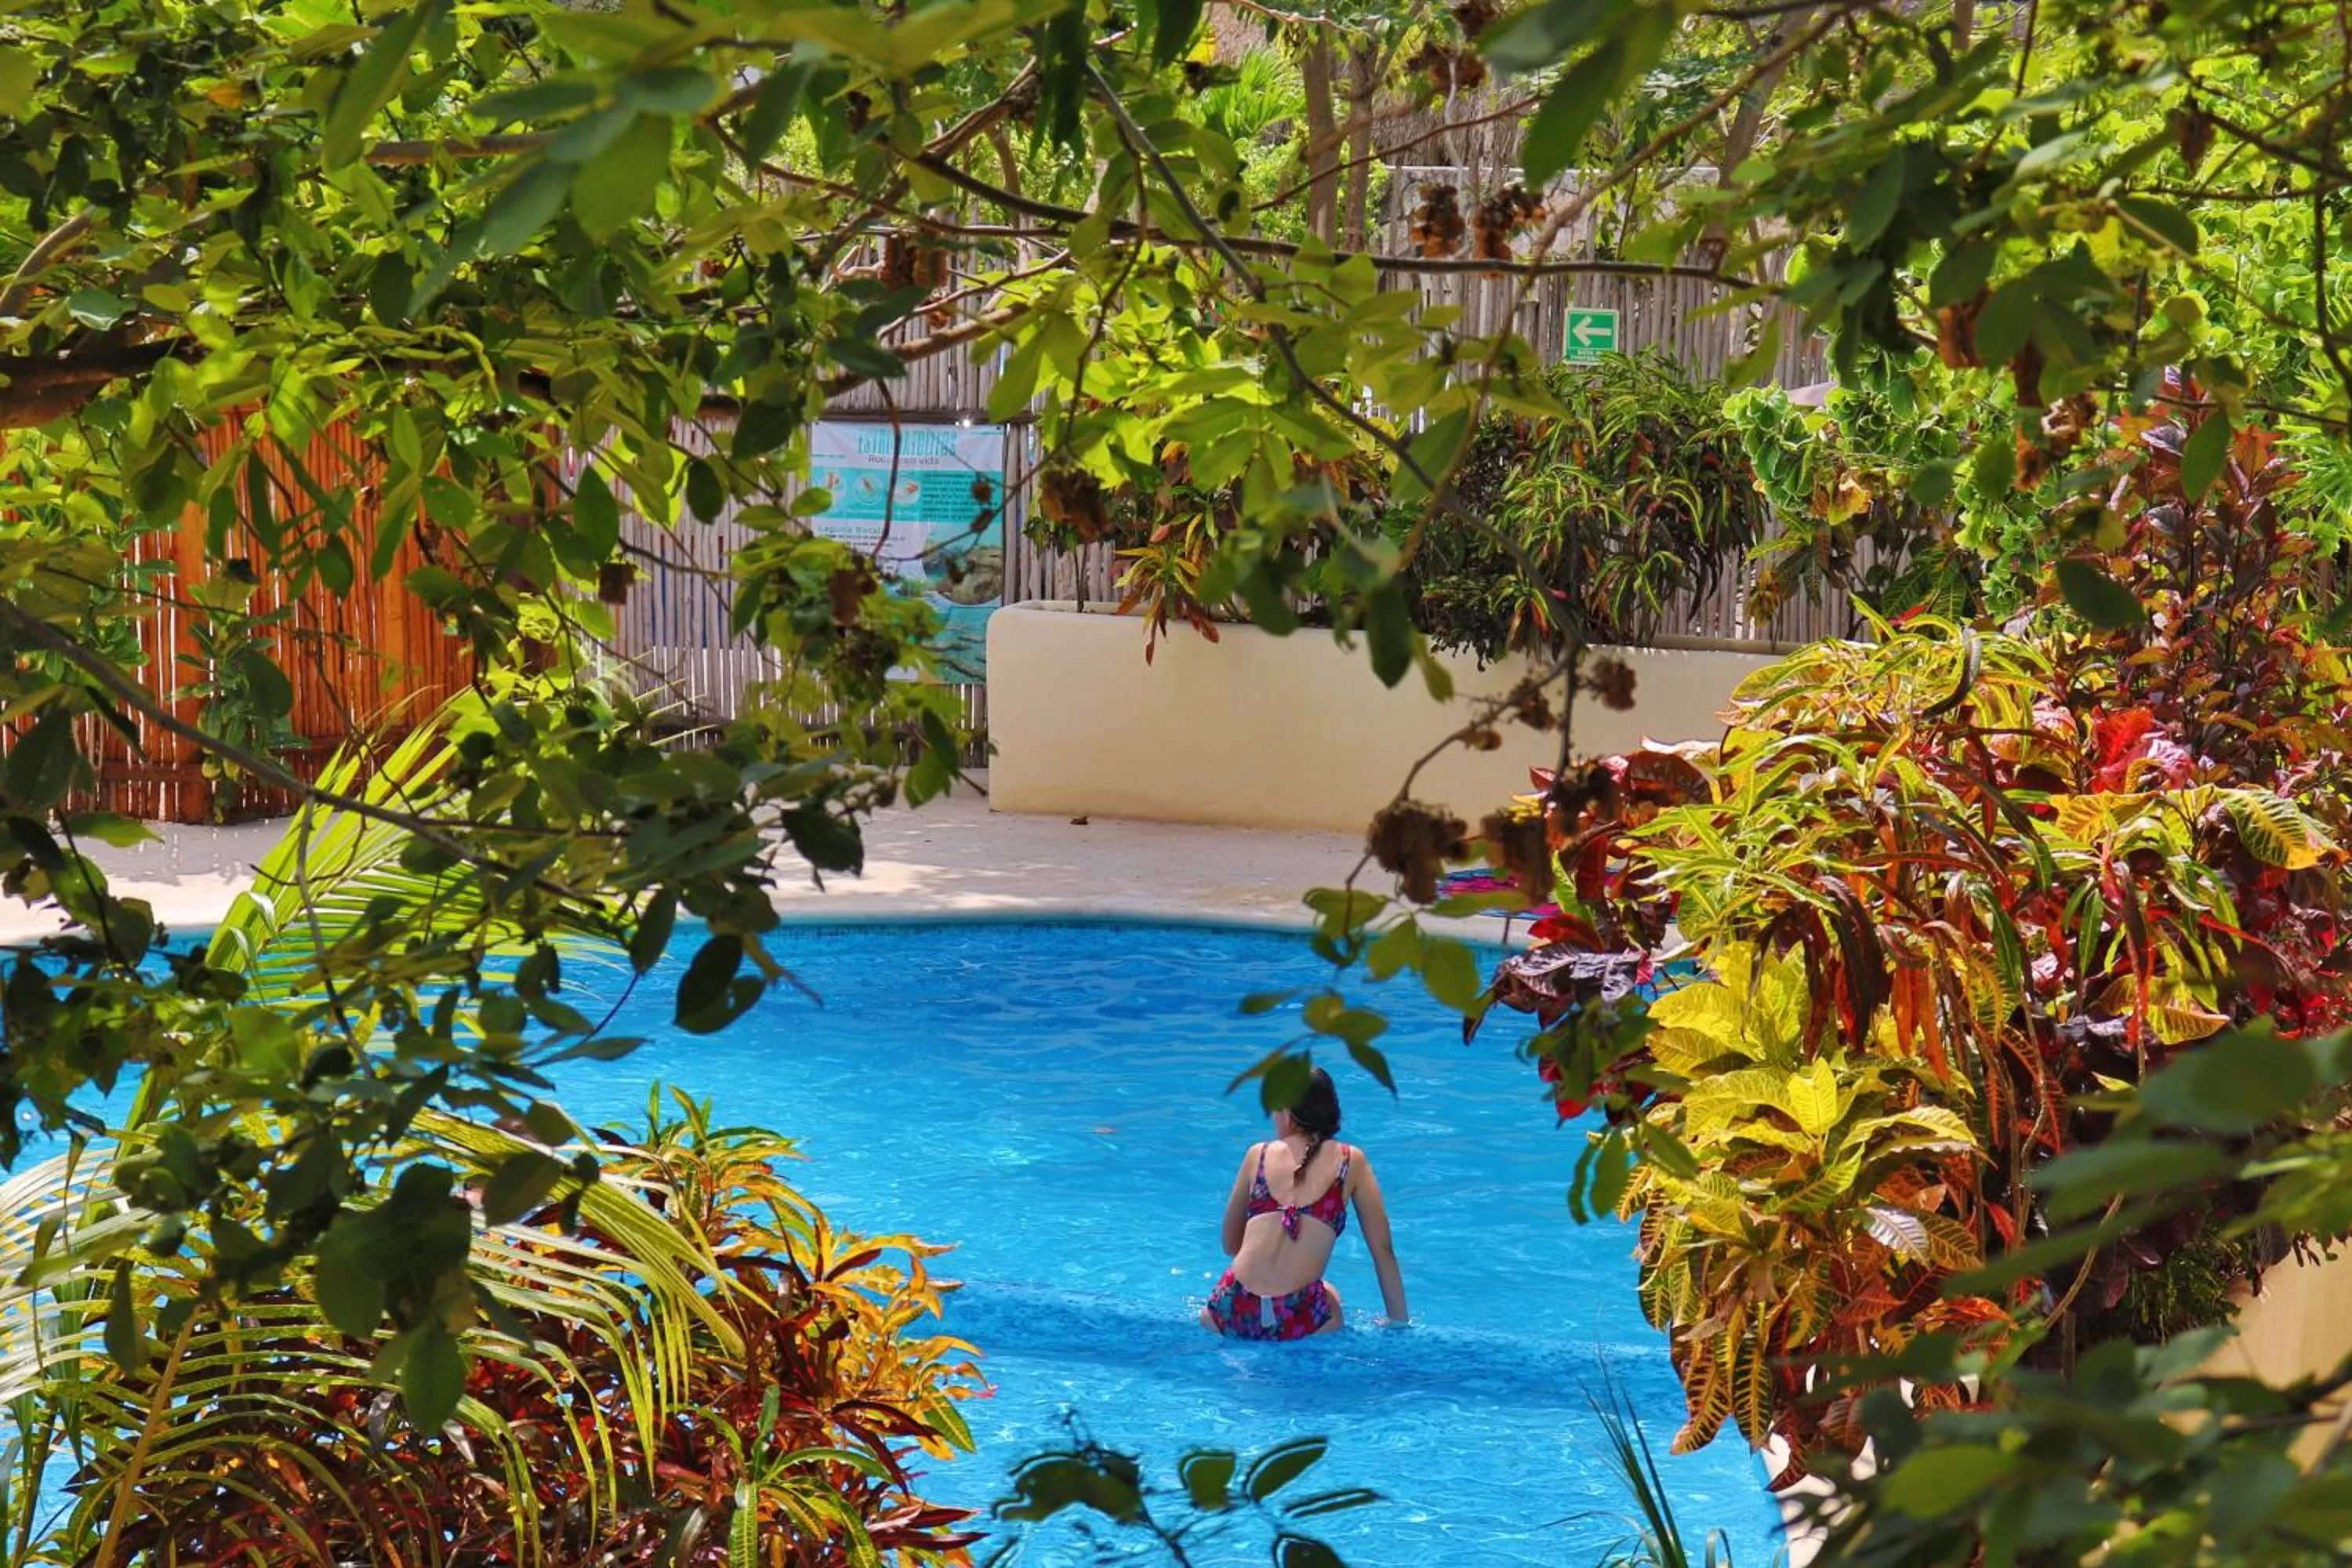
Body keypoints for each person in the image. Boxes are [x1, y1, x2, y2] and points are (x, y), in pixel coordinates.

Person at [1200, 1066, 1409, 1340]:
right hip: (1294, 1319)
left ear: (1288, 1112)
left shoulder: (1258, 1154)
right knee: (1331, 1298)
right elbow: (1382, 1249)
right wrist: (1398, 1323)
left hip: (1230, 1310)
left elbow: (1230, 1245)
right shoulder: (1350, 1161)